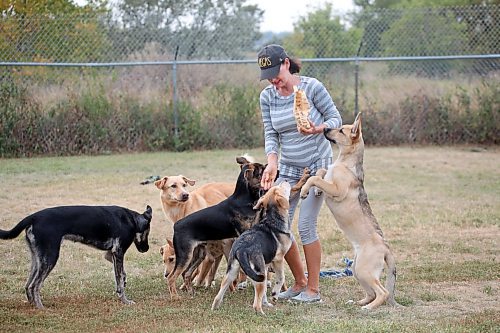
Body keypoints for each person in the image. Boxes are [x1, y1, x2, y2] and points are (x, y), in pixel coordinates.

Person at [257, 44, 342, 303]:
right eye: (267, 75)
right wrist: (272, 163)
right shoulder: (268, 96)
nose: (273, 79)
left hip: (317, 165)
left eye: (276, 72)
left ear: (285, 63)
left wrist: (318, 129)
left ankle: (313, 290)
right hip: (289, 167)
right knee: (280, 225)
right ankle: (299, 282)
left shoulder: (312, 87)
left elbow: (336, 119)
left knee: (306, 226)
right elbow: (271, 133)